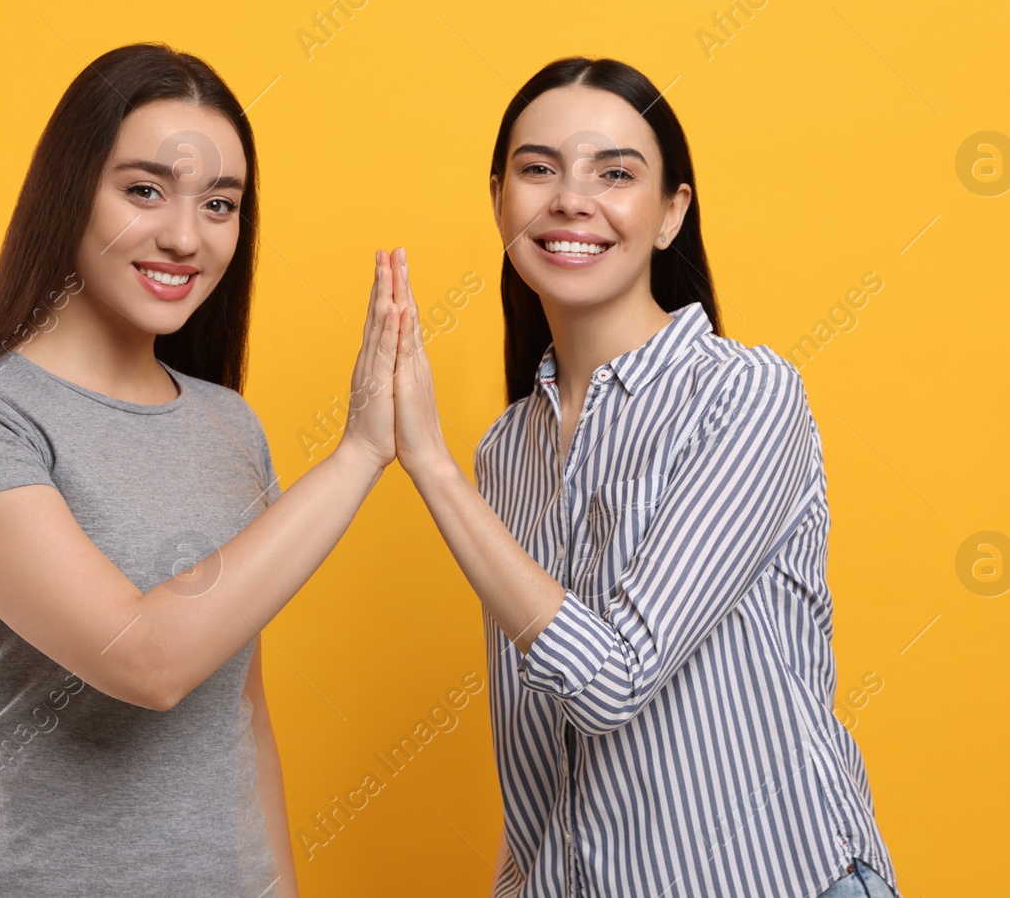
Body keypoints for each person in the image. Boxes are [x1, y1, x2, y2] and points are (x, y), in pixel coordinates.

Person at [0, 42, 402, 897]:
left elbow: (237, 708)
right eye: (144, 190)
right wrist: (357, 453)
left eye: (221, 203)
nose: (184, 235)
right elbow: (148, 662)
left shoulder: (228, 425)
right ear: (69, 192)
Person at [383, 56, 902, 897]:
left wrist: (430, 466)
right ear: (499, 202)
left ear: (671, 213)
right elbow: (540, 747)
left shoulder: (744, 394)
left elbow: (612, 680)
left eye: (614, 173)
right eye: (538, 168)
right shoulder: (508, 450)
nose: (570, 198)